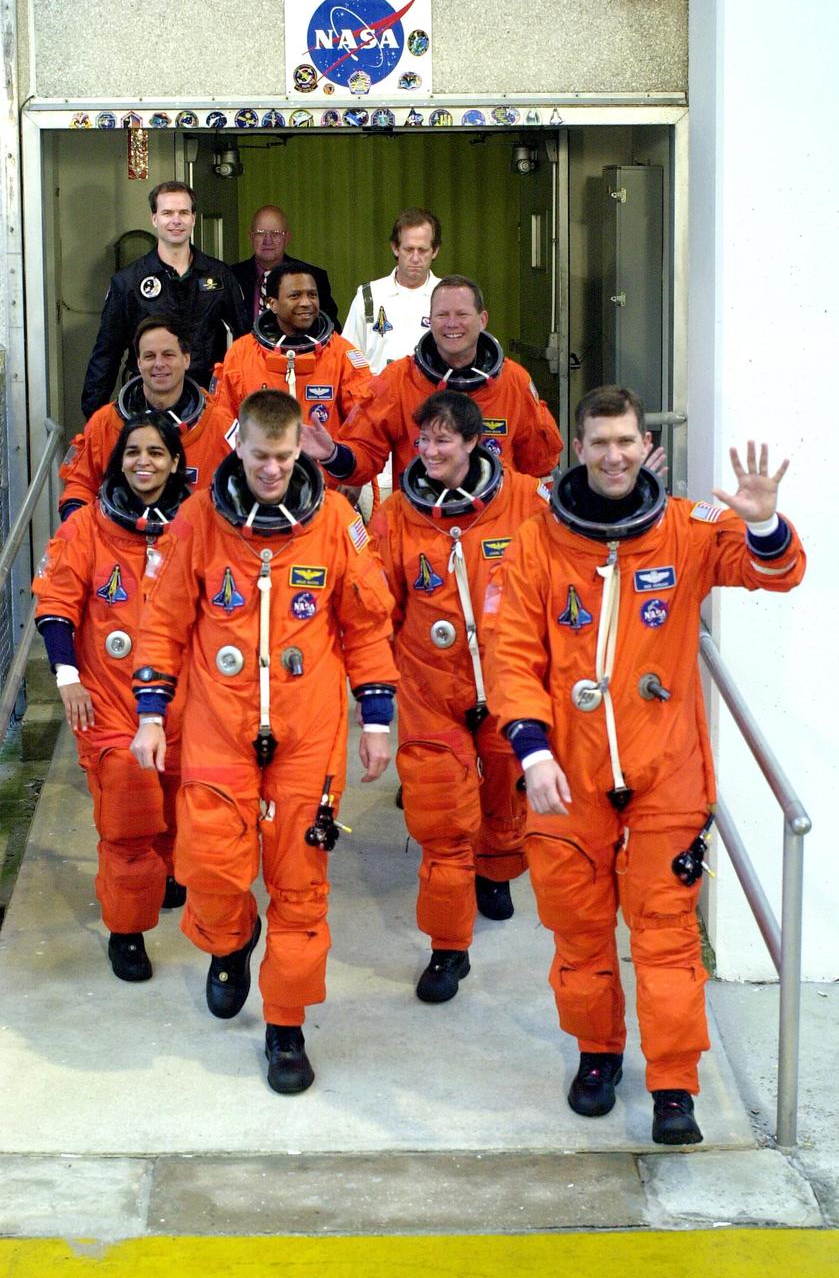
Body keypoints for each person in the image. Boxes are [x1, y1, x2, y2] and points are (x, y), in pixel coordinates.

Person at [486, 385, 806, 1146]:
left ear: (643, 444)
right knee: (578, 929)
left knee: (663, 934)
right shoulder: (535, 543)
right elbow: (511, 659)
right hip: (567, 774)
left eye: (624, 440)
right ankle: (596, 1054)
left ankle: (673, 1086)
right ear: (579, 449)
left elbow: (774, 572)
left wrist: (761, 522)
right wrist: (530, 752)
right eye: (599, 442)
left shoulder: (685, 529)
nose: (613, 454)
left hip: (666, 772)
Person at [130, 389, 398, 1095]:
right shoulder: (197, 522)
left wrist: (375, 721)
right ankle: (230, 941)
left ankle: (285, 1030)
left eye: (284, 457)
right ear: (237, 449)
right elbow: (161, 623)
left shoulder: (336, 521)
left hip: (306, 735)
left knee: (300, 887)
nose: (273, 470)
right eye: (260, 456)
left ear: (297, 450)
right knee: (211, 870)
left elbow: (366, 626)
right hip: (219, 726)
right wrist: (152, 714)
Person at [370, 390, 549, 1003]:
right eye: (423, 441)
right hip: (430, 688)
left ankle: (497, 867)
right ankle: (449, 949)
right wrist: (379, 686)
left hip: (506, 683)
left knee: (503, 790)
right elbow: (376, 606)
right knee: (443, 823)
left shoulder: (523, 499)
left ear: (474, 443)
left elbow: (563, 568)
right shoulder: (396, 515)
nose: (430, 451)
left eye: (444, 440)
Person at [33, 414, 193, 982]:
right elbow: (56, 604)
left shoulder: (199, 526)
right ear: (117, 460)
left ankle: (169, 870)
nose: (142, 461)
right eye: (132, 452)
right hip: (109, 701)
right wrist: (67, 677)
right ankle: (128, 932)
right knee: (129, 811)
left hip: (184, 699)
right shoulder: (87, 529)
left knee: (178, 802)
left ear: (176, 461)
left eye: (155, 451)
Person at [300, 275, 562, 489]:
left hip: (494, 528)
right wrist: (334, 454)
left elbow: (540, 465)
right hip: (419, 522)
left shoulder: (513, 381)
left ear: (483, 320)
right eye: (442, 315)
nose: (451, 324)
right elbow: (364, 450)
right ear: (429, 320)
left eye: (462, 314)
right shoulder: (398, 380)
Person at [81, 181, 248, 416]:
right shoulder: (128, 282)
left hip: (208, 402)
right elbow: (107, 353)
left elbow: (247, 343)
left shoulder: (219, 276)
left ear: (194, 218)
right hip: (147, 401)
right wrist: (93, 417)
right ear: (154, 219)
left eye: (183, 213)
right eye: (167, 213)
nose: (176, 220)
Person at [62, 316, 233, 520]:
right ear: (139, 362)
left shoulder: (220, 424)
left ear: (186, 359)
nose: (159, 364)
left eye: (168, 355)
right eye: (150, 356)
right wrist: (77, 524)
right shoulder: (105, 423)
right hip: (119, 544)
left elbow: (242, 490)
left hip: (193, 545)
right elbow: (80, 485)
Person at [211, 263, 370, 438]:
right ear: (273, 303)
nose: (306, 303)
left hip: (323, 463)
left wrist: (335, 457)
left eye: (312, 295)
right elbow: (223, 423)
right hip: (261, 463)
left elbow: (363, 424)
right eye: (295, 296)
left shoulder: (342, 353)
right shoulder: (242, 353)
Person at [342, 208, 442, 374]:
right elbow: (349, 354)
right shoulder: (369, 295)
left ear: (435, 251)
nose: (416, 258)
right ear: (395, 248)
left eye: (422, 250)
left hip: (431, 396)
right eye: (409, 249)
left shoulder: (448, 297)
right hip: (377, 396)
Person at [232, 205, 340, 331]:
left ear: (287, 238)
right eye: (260, 234)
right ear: (251, 237)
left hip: (300, 349)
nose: (268, 241)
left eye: (276, 234)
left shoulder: (313, 277)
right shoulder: (231, 276)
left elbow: (330, 330)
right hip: (243, 350)